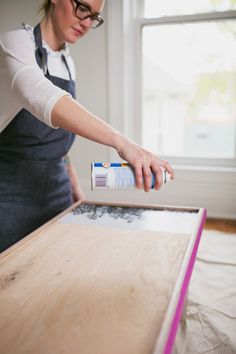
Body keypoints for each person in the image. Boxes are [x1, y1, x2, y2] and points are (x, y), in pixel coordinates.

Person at [0, 0, 174, 252]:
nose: (86, 22)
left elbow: (57, 137)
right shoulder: (14, 43)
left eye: (94, 17)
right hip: (10, 200)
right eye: (82, 8)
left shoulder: (67, 62)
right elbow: (40, 95)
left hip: (58, 193)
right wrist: (124, 143)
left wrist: (75, 188)